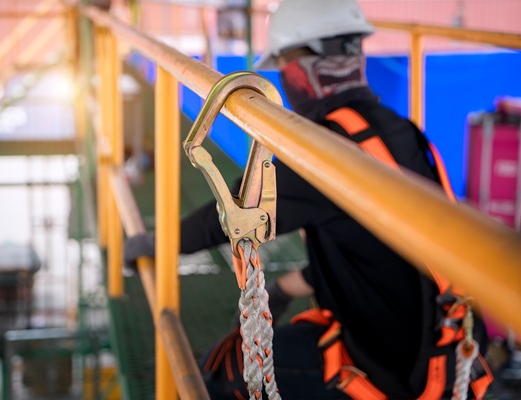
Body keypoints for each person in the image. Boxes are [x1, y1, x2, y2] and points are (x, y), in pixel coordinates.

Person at [124, 0, 493, 398]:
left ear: (304, 67)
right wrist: (284, 288)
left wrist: (157, 244)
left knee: (222, 371)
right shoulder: (399, 133)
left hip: (388, 370)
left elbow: (232, 212)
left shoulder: (326, 152)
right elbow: (372, 252)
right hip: (440, 347)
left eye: (283, 64)